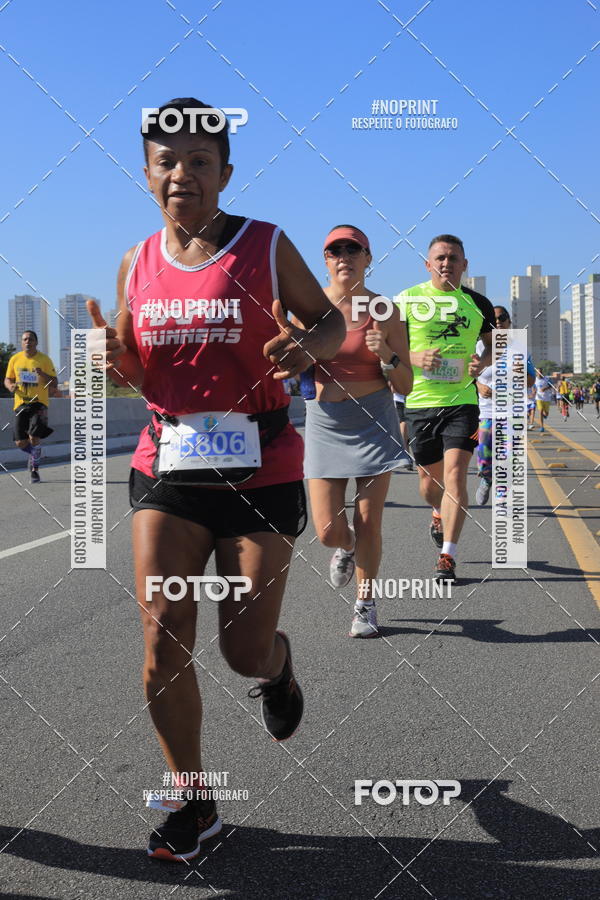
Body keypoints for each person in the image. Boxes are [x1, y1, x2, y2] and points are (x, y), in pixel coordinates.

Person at [90, 98, 345, 862]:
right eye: (167, 162)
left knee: (242, 649)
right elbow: (140, 363)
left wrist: (307, 349)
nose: (182, 175)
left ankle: (277, 667)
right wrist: (116, 361)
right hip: (168, 464)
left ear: (225, 173)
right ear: (146, 174)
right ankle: (195, 805)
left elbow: (328, 320)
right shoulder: (137, 262)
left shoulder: (265, 245)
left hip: (260, 467)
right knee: (162, 639)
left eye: (199, 162)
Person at [301, 225, 412, 638]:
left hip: (375, 418)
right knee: (328, 531)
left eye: (354, 249)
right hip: (325, 421)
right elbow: (288, 363)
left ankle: (365, 605)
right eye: (335, 251)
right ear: (325, 261)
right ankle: (346, 548)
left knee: (370, 520)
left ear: (368, 258)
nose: (344, 256)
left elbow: (406, 384)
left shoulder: (385, 309)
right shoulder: (311, 309)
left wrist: (386, 354)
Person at [394, 234, 495, 583]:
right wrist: (412, 357)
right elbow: (380, 347)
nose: (446, 263)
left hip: (462, 403)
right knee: (429, 484)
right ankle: (437, 511)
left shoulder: (478, 303)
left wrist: (481, 362)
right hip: (420, 402)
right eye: (439, 257)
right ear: (427, 264)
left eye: (453, 258)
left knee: (455, 475)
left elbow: (498, 342)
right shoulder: (406, 300)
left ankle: (447, 556)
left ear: (464, 264)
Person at [474, 306, 535, 506]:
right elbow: (469, 376)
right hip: (487, 411)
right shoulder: (479, 347)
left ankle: (502, 495)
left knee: (507, 455)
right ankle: (486, 477)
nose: (498, 322)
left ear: (509, 323)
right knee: (484, 452)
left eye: (503, 318)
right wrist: (479, 385)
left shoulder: (520, 348)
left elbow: (530, 380)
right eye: (494, 319)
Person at [4, 330, 57, 483]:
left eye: (31, 339)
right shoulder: (15, 359)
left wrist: (42, 374)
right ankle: (35, 454)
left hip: (39, 403)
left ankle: (35, 470)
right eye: (25, 339)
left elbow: (54, 382)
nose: (28, 342)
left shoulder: (44, 359)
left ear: (36, 342)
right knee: (20, 442)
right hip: (21, 403)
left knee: (34, 437)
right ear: (22, 342)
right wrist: (10, 386)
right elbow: (7, 379)